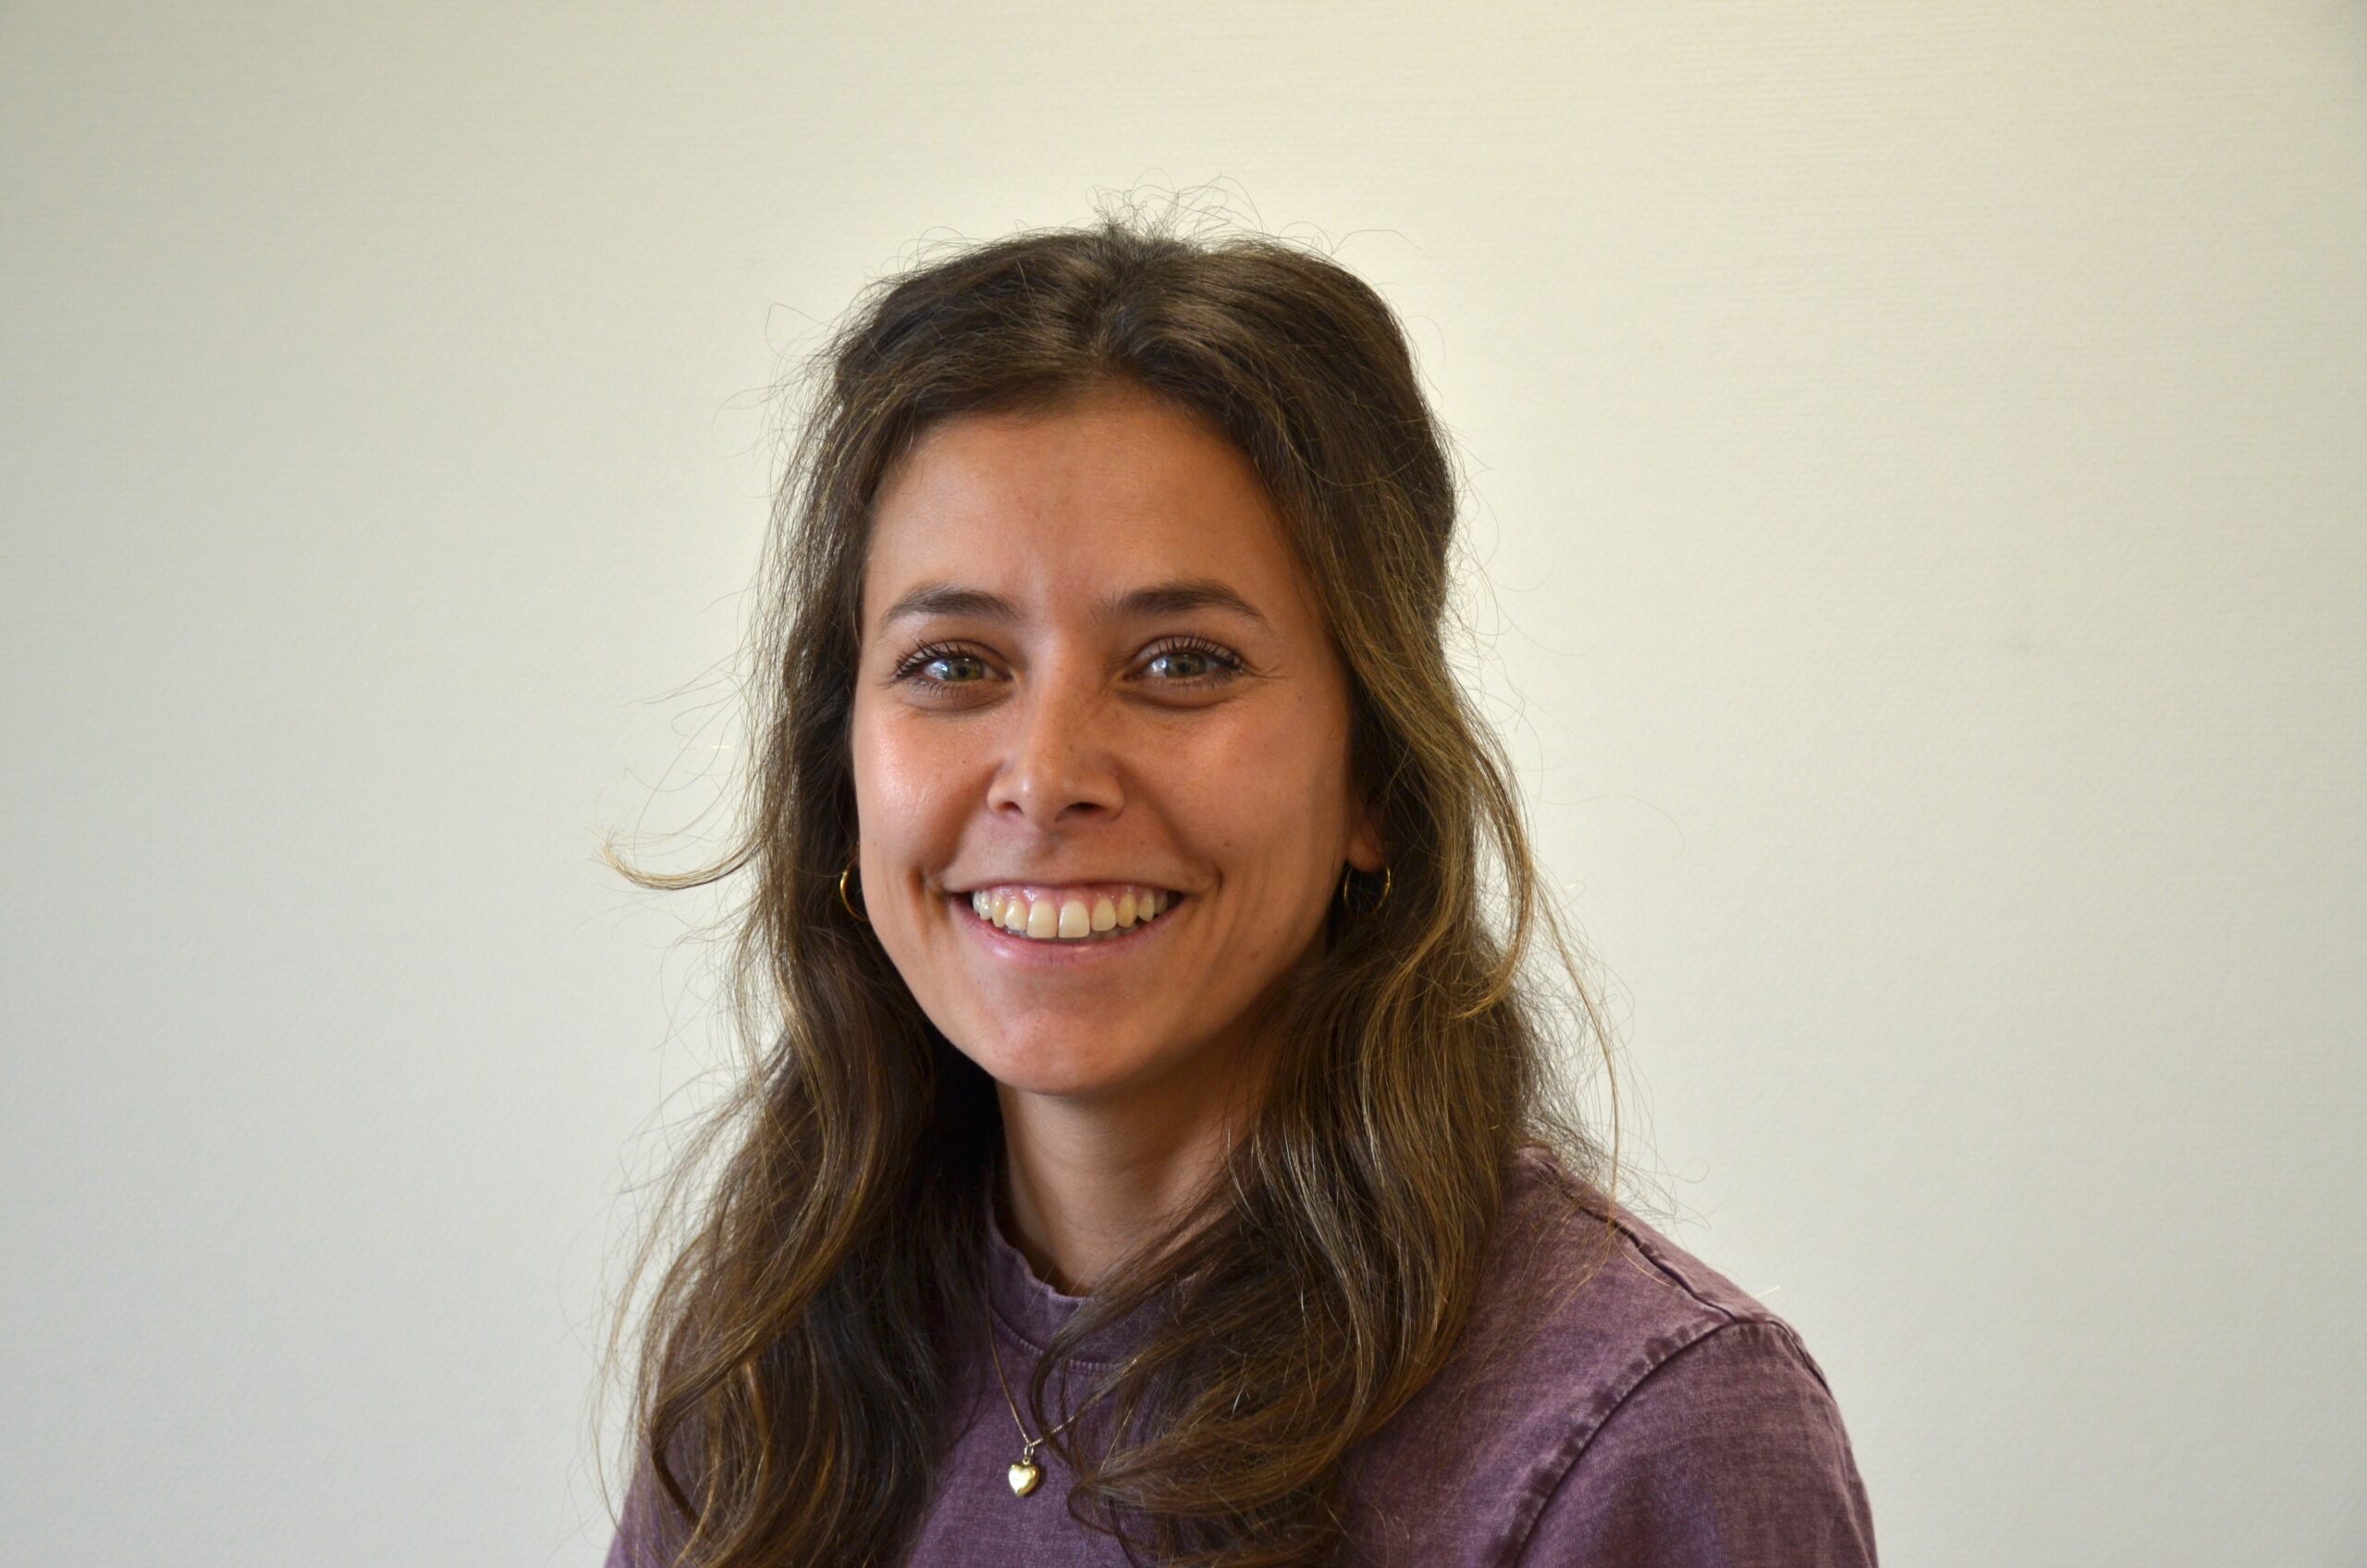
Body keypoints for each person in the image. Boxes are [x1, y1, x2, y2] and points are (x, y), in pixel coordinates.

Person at [597, 214, 1878, 1567]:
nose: (1046, 777)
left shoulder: (1649, 1436)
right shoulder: (773, 1359)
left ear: (1373, 774)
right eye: (954, 665)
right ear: (842, 767)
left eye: (1181, 663)